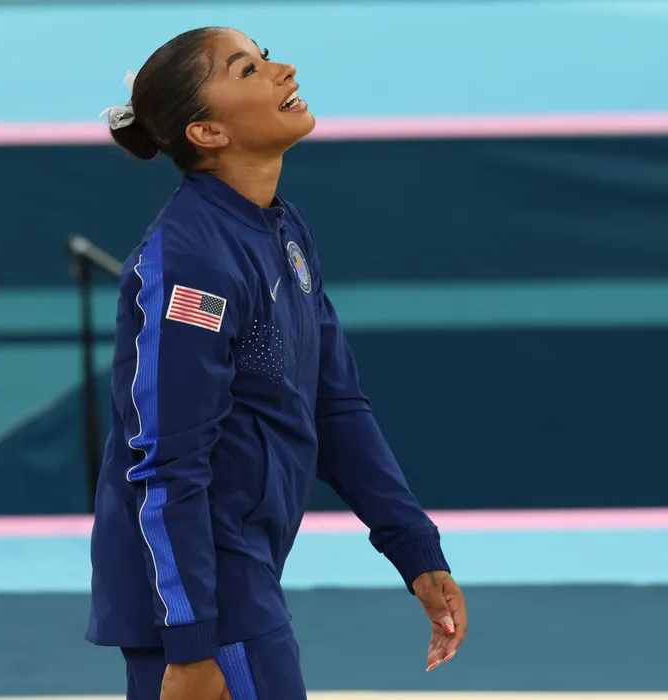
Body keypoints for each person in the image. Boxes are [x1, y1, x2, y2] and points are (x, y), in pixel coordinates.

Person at [85, 26, 468, 700]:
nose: (284, 69)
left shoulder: (283, 230)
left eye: (263, 57)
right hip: (203, 594)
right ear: (207, 132)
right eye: (248, 69)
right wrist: (191, 642)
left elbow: (334, 405)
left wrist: (414, 547)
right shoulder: (192, 266)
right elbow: (166, 464)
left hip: (235, 576)